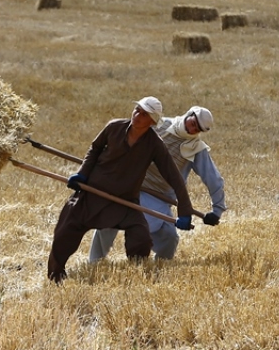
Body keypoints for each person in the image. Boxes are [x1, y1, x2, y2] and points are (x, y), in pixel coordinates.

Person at [47, 97, 195, 283]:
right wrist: (82, 174)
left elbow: (174, 177)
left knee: (141, 238)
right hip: (92, 194)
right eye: (137, 110)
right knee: (64, 235)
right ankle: (56, 276)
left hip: (124, 202)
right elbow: (95, 148)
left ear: (152, 121)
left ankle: (138, 277)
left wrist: (185, 212)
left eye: (144, 114)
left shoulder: (155, 145)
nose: (138, 116)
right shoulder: (114, 127)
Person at [88, 106, 225, 264]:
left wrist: (217, 210)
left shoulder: (196, 148)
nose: (192, 129)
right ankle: (94, 263)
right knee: (107, 220)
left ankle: (161, 266)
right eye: (192, 123)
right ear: (189, 114)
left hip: (158, 196)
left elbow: (213, 178)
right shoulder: (158, 125)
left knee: (169, 236)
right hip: (129, 184)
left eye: (197, 129)